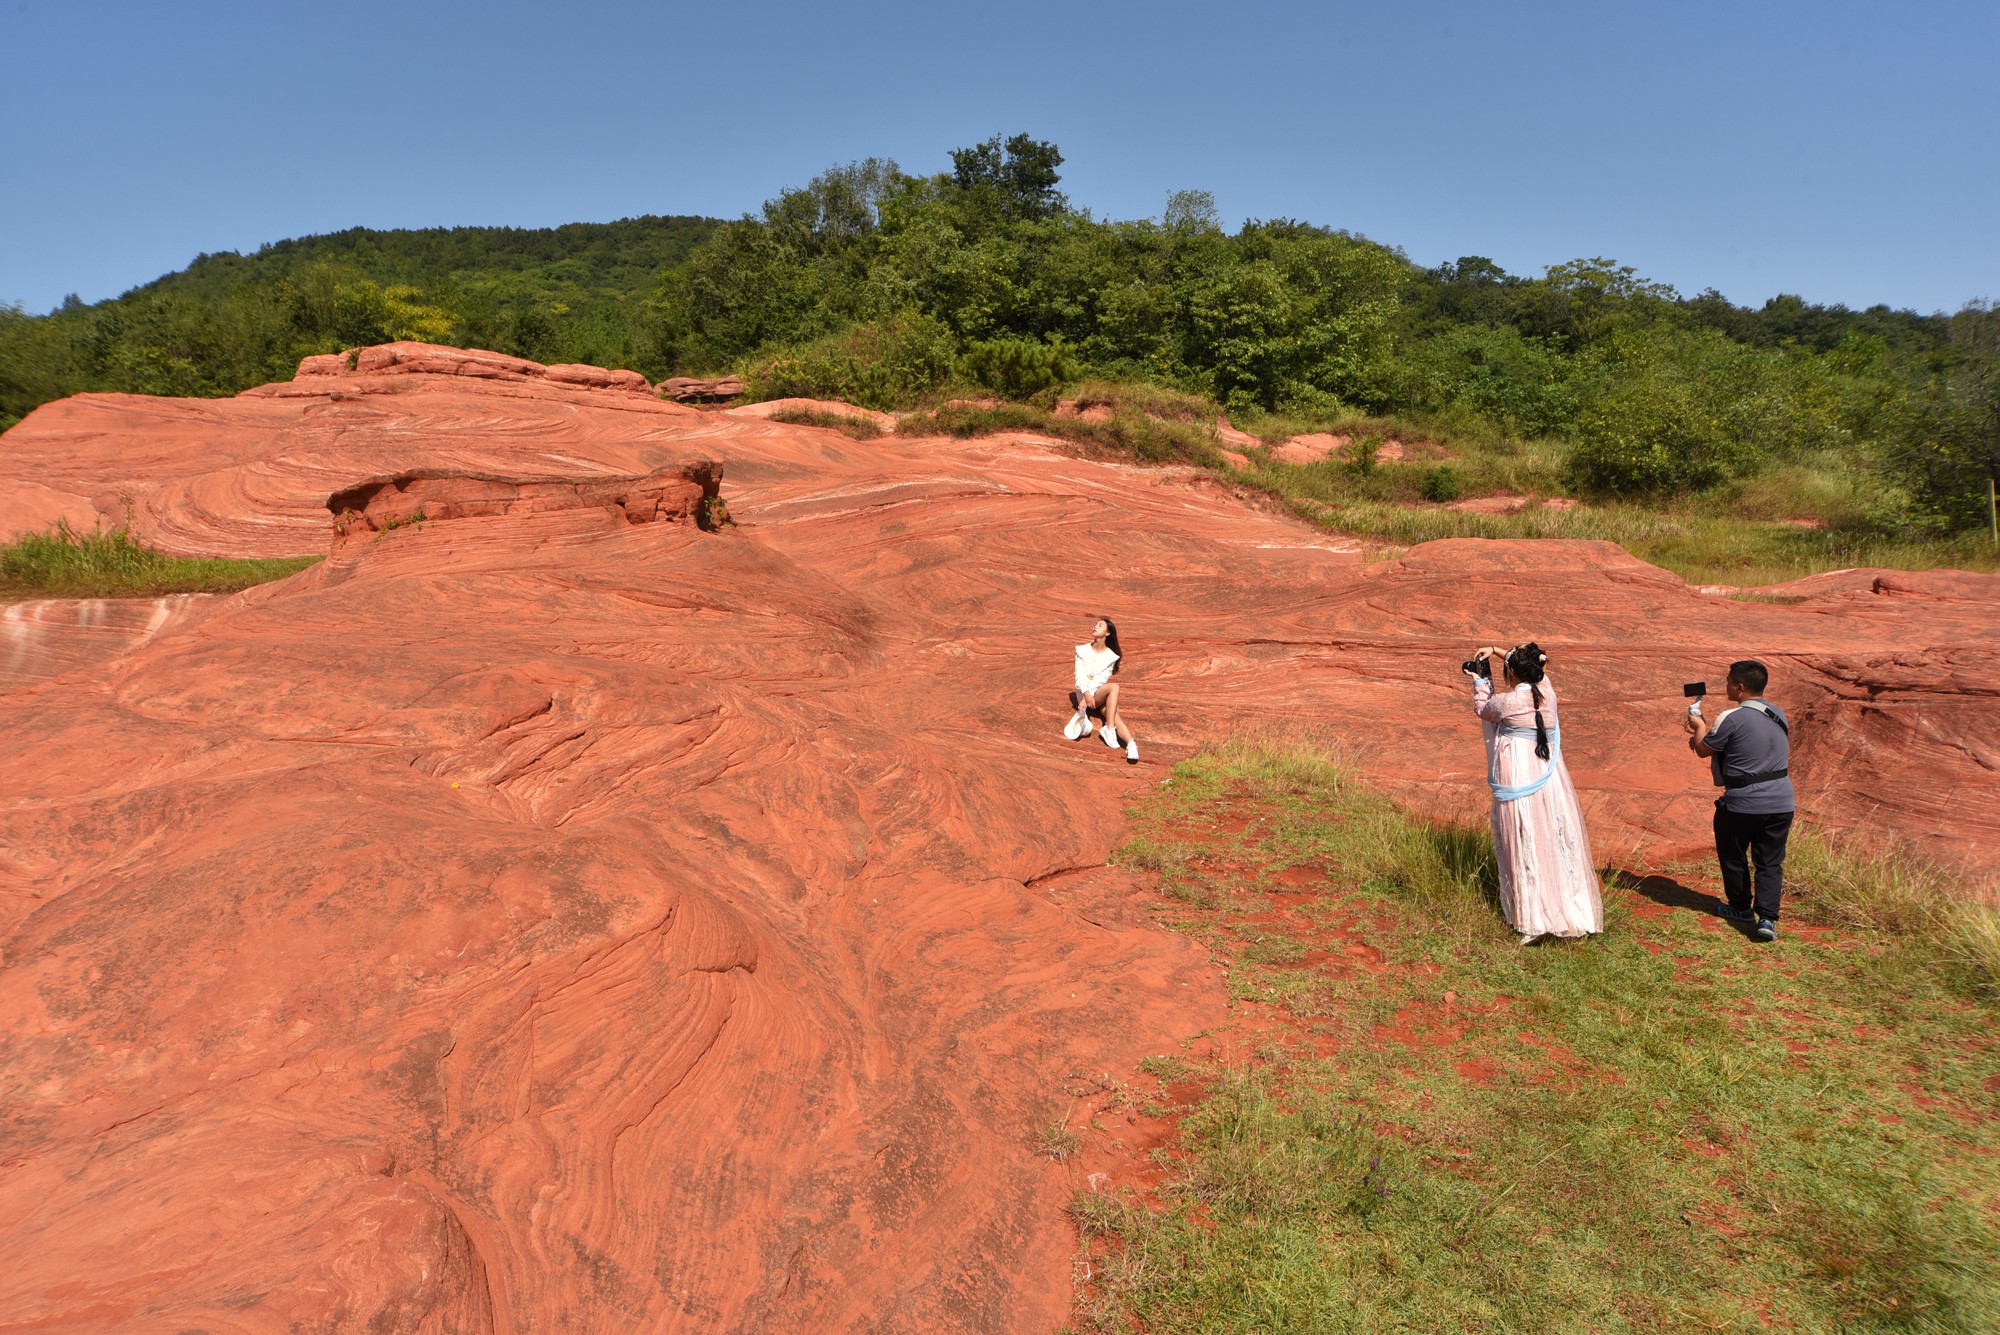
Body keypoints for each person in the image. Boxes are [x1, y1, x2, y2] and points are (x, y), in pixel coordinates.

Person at [1468, 642, 1603, 944]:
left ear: (1512, 673)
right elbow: (1537, 675)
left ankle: (1532, 920)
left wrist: (1479, 681)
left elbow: (1483, 709)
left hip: (1518, 771)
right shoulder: (1549, 694)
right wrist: (1500, 651)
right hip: (1548, 775)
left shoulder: (1507, 703)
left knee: (1523, 834)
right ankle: (1573, 911)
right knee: (1553, 836)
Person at [1684, 659, 1795, 943]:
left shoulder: (1730, 718)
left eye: (1729, 681)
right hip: (1782, 802)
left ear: (1740, 687)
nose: (1727, 686)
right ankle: (1767, 920)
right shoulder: (1779, 713)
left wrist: (1699, 726)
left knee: (1734, 856)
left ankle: (1741, 908)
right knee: (1770, 862)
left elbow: (1703, 750)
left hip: (1743, 803)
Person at [1064, 616, 1139, 764]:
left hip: (1098, 694)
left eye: (1100, 625)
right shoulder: (1082, 650)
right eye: (1095, 624)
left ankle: (1130, 744)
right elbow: (1079, 677)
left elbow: (1101, 680)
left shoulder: (1111, 656)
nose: (1095, 626)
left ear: (1108, 633)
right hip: (1084, 693)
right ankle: (1109, 729)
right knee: (1114, 689)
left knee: (1114, 712)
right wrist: (1086, 695)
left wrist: (1090, 695)